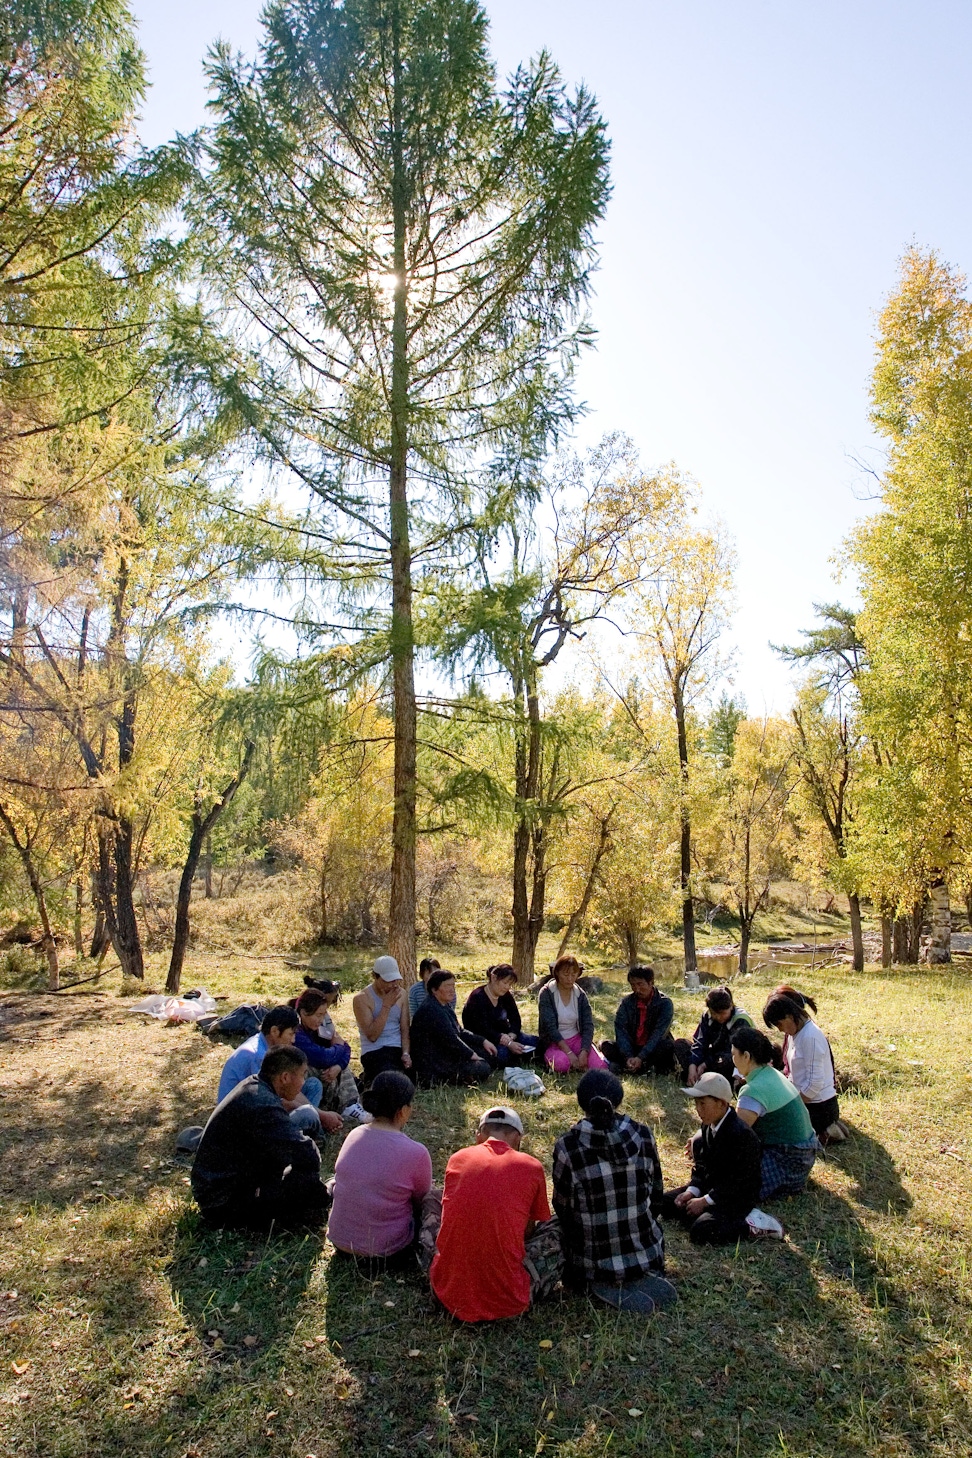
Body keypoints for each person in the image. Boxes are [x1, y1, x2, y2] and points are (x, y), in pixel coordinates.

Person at [552, 1070, 675, 1312]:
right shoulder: (643, 1135)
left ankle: (605, 1281)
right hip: (648, 1254)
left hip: (589, 1265)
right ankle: (637, 1273)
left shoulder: (567, 1146)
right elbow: (657, 1197)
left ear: (581, 1103)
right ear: (619, 1099)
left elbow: (564, 1209)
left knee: (553, 1226)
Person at [429, 1105, 562, 1321]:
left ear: (478, 1136)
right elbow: (527, 1233)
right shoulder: (531, 1166)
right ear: (518, 1138)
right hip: (510, 1301)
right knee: (560, 1225)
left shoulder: (457, 1158)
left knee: (432, 1197)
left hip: (447, 1294)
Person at [191, 1046, 331, 1231]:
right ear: (285, 1077)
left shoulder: (255, 1087)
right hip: (223, 1202)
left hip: (217, 1188)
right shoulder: (262, 1103)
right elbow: (306, 1152)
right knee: (304, 1179)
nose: (303, 1083)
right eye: (303, 1075)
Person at [327, 1072, 438, 1270]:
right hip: (386, 1253)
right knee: (434, 1200)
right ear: (403, 1110)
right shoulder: (416, 1153)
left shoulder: (354, 1134)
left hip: (340, 1242)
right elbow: (421, 1201)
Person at [662, 1071, 762, 1244]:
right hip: (711, 1188)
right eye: (696, 1103)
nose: (698, 1110)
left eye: (703, 1104)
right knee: (665, 1203)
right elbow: (701, 1168)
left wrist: (705, 1201)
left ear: (721, 1104)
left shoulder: (741, 1135)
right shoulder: (709, 1125)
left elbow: (737, 1182)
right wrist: (691, 1191)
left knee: (702, 1232)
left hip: (734, 1198)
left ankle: (752, 1225)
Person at [730, 1025, 817, 1199]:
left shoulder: (752, 1090)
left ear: (746, 1056)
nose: (732, 1059)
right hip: (806, 1156)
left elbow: (734, 1136)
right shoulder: (772, 1074)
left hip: (788, 1162)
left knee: (733, 1185)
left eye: (733, 1054)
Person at [216, 1005, 330, 1135]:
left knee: (313, 1085)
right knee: (308, 1114)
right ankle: (309, 1129)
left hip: (260, 1107)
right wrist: (320, 1114)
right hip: (242, 1123)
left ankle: (308, 1125)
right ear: (275, 1031)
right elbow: (274, 1100)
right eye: (291, 1034)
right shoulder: (258, 1056)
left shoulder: (264, 1045)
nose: (293, 1040)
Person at [762, 991, 845, 1142]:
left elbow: (814, 1085)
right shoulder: (796, 1034)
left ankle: (824, 1131)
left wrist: (791, 1104)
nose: (780, 1030)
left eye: (779, 1024)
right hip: (805, 1100)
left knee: (773, 1127)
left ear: (789, 1016)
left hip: (819, 1106)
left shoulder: (810, 1037)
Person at [294, 986, 369, 1122]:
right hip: (301, 1077)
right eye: (318, 1015)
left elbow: (346, 1047)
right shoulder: (296, 1031)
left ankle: (349, 1105)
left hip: (319, 1070)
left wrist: (339, 1065)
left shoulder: (318, 1027)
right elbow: (322, 1057)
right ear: (304, 1013)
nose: (321, 1020)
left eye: (324, 1014)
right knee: (328, 1065)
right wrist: (338, 1046)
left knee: (337, 1064)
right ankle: (347, 1106)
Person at [410, 971, 492, 1086]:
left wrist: (482, 1041)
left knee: (487, 1054)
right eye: (447, 986)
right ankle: (453, 1079)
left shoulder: (444, 1005)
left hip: (446, 1053)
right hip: (435, 1064)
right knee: (483, 1067)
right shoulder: (431, 1009)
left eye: (453, 985)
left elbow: (459, 1031)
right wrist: (471, 1055)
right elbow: (451, 1039)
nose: (452, 990)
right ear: (434, 989)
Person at [538, 955, 609, 1074]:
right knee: (562, 1064)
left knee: (601, 1066)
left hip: (576, 1039)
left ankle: (579, 1062)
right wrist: (569, 1053)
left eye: (573, 974)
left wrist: (584, 1051)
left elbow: (588, 1025)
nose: (570, 979)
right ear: (557, 973)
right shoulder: (546, 993)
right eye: (566, 975)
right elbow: (550, 1027)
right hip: (555, 1042)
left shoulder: (580, 995)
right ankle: (562, 1061)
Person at [600, 965, 677, 1075]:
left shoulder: (664, 1003)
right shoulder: (627, 1002)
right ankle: (632, 1065)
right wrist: (629, 1056)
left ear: (651, 982)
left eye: (640, 984)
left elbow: (659, 1033)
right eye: (633, 985)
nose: (637, 989)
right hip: (633, 1047)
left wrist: (641, 1057)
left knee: (667, 1046)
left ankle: (641, 1066)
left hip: (652, 1048)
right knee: (606, 1045)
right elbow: (621, 1030)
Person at [674, 985, 754, 1084]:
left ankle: (709, 1077)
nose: (718, 1017)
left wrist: (706, 1064)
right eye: (714, 1013)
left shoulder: (740, 1020)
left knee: (726, 1062)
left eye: (723, 1013)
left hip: (730, 1059)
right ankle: (695, 1075)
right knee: (680, 1044)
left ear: (731, 1006)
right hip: (712, 1055)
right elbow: (700, 1042)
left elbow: (735, 1053)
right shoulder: (707, 1016)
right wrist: (693, 1065)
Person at [462, 963, 539, 1066]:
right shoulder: (477, 997)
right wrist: (507, 1042)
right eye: (505, 983)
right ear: (493, 978)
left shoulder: (506, 995)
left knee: (535, 1042)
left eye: (510, 984)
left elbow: (515, 1018)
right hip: (486, 1039)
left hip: (507, 1035)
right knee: (502, 1054)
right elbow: (482, 1029)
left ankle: (521, 1055)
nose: (507, 987)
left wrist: (511, 1036)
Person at [353, 955, 412, 1084]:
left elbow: (405, 1029)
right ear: (376, 977)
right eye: (389, 981)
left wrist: (406, 1052)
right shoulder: (362, 999)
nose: (393, 985)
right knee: (391, 1078)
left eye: (395, 980)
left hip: (397, 1047)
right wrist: (386, 1006)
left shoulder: (401, 994)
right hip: (375, 1050)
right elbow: (372, 1035)